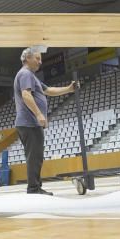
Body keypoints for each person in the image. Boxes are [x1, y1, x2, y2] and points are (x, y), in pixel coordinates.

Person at [14, 47, 78, 195]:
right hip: (29, 122)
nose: (40, 62)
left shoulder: (30, 76)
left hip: (29, 123)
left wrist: (69, 89)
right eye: (37, 58)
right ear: (27, 59)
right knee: (34, 157)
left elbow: (48, 90)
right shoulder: (25, 74)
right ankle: (34, 189)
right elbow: (26, 95)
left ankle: (35, 187)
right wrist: (38, 114)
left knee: (36, 156)